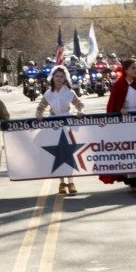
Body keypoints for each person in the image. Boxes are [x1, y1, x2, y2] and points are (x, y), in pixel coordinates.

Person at [98, 58, 136, 193]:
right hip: (125, 123)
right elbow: (113, 105)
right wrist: (120, 110)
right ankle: (131, 181)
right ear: (125, 70)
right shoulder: (118, 85)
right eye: (133, 68)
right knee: (128, 151)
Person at [35, 65, 85, 194]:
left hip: (67, 124)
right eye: (56, 76)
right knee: (57, 154)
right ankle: (61, 182)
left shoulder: (69, 92)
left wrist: (80, 111)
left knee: (69, 152)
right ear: (53, 77)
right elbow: (40, 107)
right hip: (54, 125)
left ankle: (71, 181)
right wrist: (39, 114)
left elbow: (79, 104)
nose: (59, 78)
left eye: (61, 76)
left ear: (65, 78)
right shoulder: (48, 93)